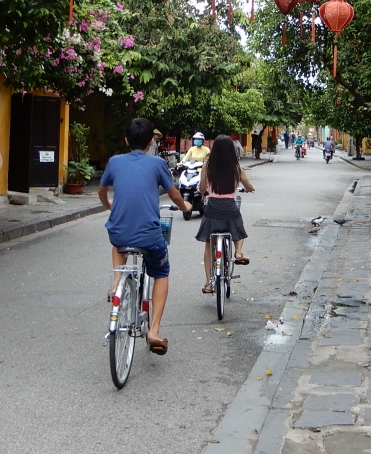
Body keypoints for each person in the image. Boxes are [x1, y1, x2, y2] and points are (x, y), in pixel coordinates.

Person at [98, 118, 192, 355]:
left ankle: (116, 283)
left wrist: (108, 205)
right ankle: (154, 331)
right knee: (161, 271)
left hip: (119, 233)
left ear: (126, 140)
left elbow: (101, 190)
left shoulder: (114, 162)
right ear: (151, 141)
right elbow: (174, 195)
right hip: (149, 238)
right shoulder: (157, 163)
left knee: (118, 243)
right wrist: (185, 207)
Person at [196, 135, 255, 293]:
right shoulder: (237, 169)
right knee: (238, 227)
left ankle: (209, 283)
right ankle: (238, 252)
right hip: (229, 208)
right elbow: (249, 186)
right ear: (231, 151)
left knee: (209, 245)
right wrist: (251, 189)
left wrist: (202, 191)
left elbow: (202, 189)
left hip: (212, 209)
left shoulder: (207, 168)